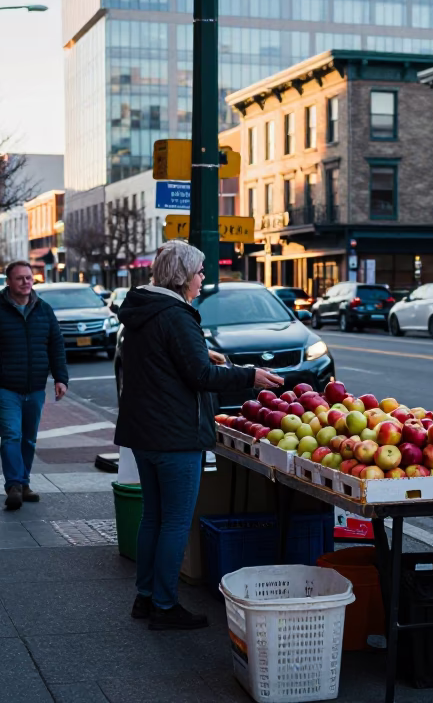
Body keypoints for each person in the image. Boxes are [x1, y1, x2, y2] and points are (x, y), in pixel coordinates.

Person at [114, 240, 282, 631]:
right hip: (174, 435)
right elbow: (200, 378)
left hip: (143, 432)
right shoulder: (177, 314)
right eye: (200, 272)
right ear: (183, 276)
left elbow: (162, 360)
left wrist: (202, 354)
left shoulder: (143, 309)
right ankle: (165, 606)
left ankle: (146, 596)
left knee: (153, 517)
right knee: (175, 521)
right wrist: (250, 376)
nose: (203, 278)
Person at [0, 261, 71, 511]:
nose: (26, 282)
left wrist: (60, 378)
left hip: (35, 387)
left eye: (29, 278)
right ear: (9, 282)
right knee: (11, 436)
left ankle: (24, 482)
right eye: (20, 279)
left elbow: (56, 345)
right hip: (6, 388)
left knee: (29, 439)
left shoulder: (44, 310)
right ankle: (14, 485)